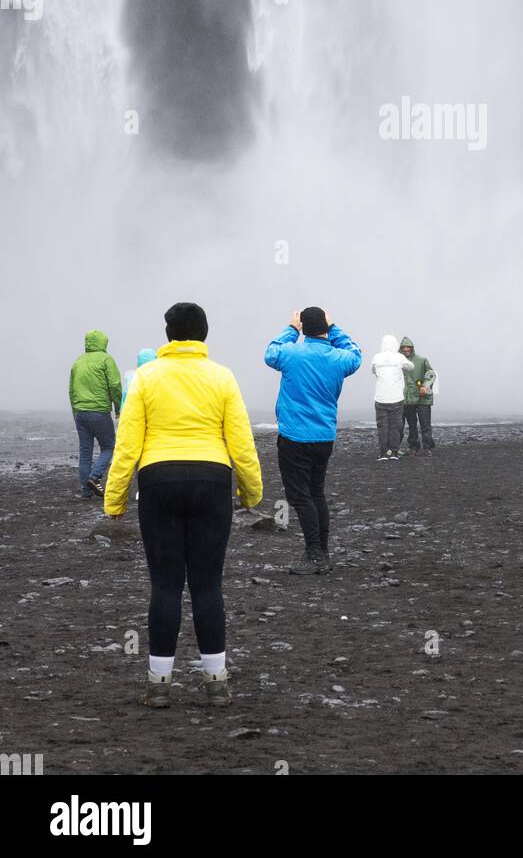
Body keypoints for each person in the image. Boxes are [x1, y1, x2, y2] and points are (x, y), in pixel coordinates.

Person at [104, 302, 263, 709]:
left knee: (165, 585)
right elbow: (240, 442)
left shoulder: (145, 377)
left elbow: (128, 443)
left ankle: (159, 683)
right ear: (204, 333)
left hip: (159, 480)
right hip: (212, 480)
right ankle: (216, 682)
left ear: (168, 334)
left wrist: (115, 498)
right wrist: (251, 492)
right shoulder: (222, 377)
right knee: (208, 585)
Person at [265, 307, 362, 572]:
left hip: (294, 436)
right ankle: (322, 551)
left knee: (299, 496)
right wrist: (334, 328)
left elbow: (270, 352)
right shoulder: (339, 358)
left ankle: (315, 554)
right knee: (316, 492)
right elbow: (356, 353)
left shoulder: (291, 354)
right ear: (325, 328)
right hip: (324, 436)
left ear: (303, 328)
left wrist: (291, 329)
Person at [69, 329, 122, 499]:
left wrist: (75, 412)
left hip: (80, 413)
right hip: (99, 411)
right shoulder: (106, 359)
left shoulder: (78, 362)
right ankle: (94, 477)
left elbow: (71, 391)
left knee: (85, 452)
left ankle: (86, 492)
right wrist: (118, 407)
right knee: (109, 446)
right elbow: (114, 385)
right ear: (103, 343)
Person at [371, 334, 413, 460]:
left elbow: (373, 371)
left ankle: (383, 453)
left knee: (382, 426)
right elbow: (411, 366)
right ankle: (393, 452)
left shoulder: (376, 357)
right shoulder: (399, 357)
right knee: (395, 426)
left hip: (380, 397)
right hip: (396, 398)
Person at [400, 336, 437, 456]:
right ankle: (413, 447)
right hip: (407, 398)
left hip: (423, 397)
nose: (406, 349)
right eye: (403, 347)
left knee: (425, 424)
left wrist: (425, 386)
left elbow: (431, 374)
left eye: (408, 347)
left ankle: (427, 447)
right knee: (411, 425)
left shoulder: (421, 360)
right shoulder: (398, 361)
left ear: (412, 348)